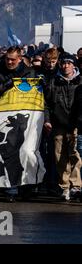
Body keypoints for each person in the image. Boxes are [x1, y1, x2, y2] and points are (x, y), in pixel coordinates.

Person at [44, 54, 82, 201]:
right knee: (60, 156)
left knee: (75, 156)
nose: (66, 66)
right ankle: (64, 186)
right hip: (58, 124)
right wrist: (47, 120)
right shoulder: (54, 82)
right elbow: (46, 103)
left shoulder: (80, 81)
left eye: (69, 63)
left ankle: (76, 186)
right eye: (63, 63)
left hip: (76, 125)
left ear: (74, 65)